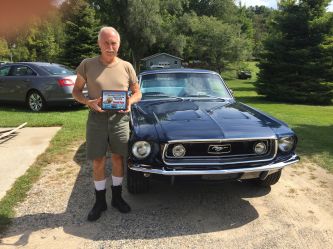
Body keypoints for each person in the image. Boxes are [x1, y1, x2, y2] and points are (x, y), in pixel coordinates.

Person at [72, 27, 142, 221]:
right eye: (106, 43)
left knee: (119, 158)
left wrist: (130, 102)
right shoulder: (87, 65)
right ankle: (100, 201)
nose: (110, 47)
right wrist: (88, 102)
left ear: (119, 44)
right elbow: (76, 91)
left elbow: (138, 92)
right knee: (98, 160)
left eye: (114, 43)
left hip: (120, 120)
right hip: (97, 120)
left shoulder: (127, 66)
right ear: (99, 44)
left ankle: (117, 198)